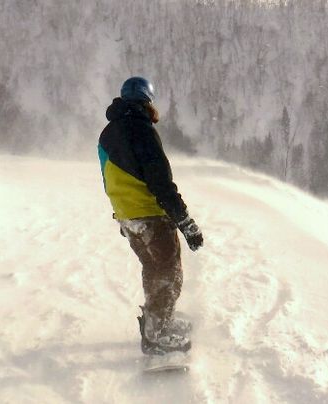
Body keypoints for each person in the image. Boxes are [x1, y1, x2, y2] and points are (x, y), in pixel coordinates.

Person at [97, 76, 204, 355]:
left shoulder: (107, 134)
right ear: (147, 102)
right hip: (151, 217)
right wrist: (185, 222)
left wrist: (123, 215)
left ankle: (156, 321)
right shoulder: (142, 131)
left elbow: (108, 179)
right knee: (170, 274)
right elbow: (161, 183)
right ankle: (157, 335)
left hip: (128, 218)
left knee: (154, 269)